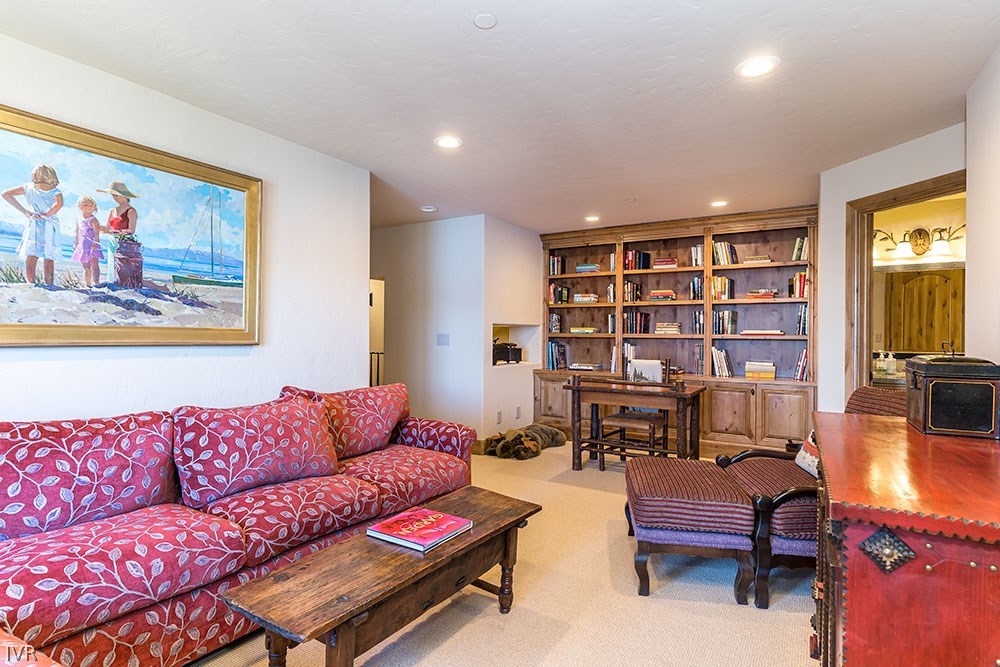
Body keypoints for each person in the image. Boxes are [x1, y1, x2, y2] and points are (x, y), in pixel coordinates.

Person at [1, 164, 63, 285]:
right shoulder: (55, 191)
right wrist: (46, 214)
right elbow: (58, 205)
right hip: (49, 224)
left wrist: (26, 211)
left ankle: (32, 282)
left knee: (32, 254)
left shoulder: (28, 188)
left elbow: (5, 194)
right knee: (48, 255)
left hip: (36, 223)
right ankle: (48, 283)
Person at [97, 181, 138, 282]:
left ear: (124, 195)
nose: (114, 198)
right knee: (112, 266)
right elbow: (108, 227)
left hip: (124, 243)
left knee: (122, 268)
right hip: (112, 242)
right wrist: (103, 229)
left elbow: (131, 231)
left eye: (116, 195)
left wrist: (111, 232)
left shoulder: (131, 211)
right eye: (113, 195)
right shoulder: (112, 210)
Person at [70, 196, 104, 287]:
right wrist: (75, 243)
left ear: (94, 208)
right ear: (80, 207)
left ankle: (96, 282)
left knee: (94, 264)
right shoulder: (79, 219)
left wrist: (95, 243)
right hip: (83, 245)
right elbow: (77, 232)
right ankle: (88, 284)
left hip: (92, 244)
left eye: (91, 206)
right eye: (85, 205)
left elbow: (97, 234)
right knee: (85, 265)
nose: (88, 207)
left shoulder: (93, 220)